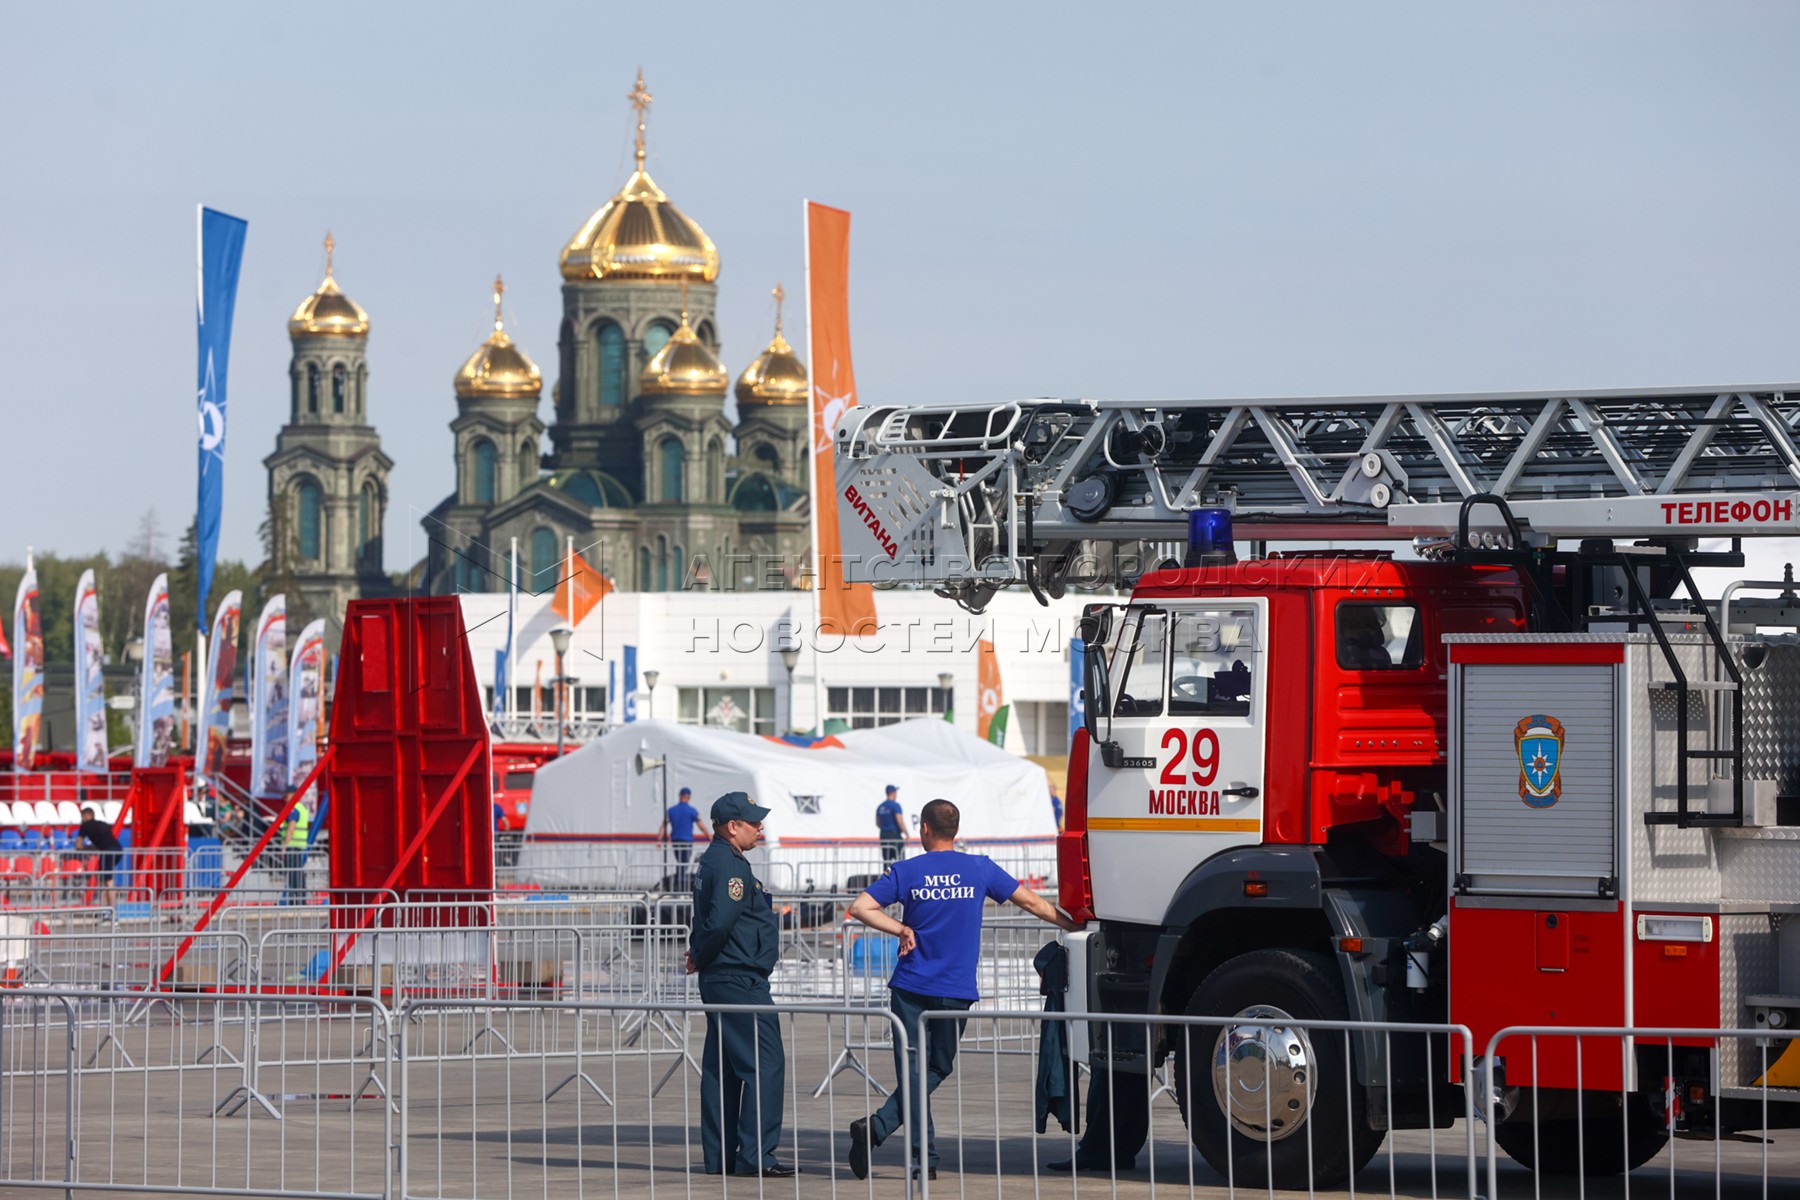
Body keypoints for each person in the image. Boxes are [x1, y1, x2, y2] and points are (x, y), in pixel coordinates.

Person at [845, 798, 1079, 1182]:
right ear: (955, 830)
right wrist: (1075, 928)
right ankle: (914, 1152)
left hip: (910, 985)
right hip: (955, 987)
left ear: (924, 829)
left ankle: (885, 1133)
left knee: (915, 1071)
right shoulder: (979, 868)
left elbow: (860, 907)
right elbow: (1033, 903)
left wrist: (901, 929)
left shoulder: (907, 870)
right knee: (936, 1067)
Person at [686, 792, 799, 1179]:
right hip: (738, 977)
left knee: (724, 1070)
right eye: (753, 822)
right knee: (765, 1064)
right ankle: (757, 1155)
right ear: (732, 827)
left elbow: (710, 921)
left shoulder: (718, 860)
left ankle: (722, 1158)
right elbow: (718, 922)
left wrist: (699, 952)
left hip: (723, 975)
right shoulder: (731, 865)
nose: (760, 826)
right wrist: (700, 952)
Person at [658, 786, 710, 890]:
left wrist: (659, 840)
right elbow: (701, 825)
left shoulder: (671, 810)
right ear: (688, 797)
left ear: (680, 796)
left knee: (680, 861)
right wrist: (709, 837)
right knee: (684, 862)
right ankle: (681, 884)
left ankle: (679, 881)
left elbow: (663, 825)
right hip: (686, 841)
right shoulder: (692, 811)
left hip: (675, 840)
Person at [76, 805, 122, 906]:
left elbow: (78, 845)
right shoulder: (102, 824)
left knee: (108, 881)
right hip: (118, 850)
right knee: (103, 880)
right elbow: (103, 842)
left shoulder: (86, 826)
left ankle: (112, 909)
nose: (82, 819)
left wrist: (84, 849)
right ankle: (104, 908)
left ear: (87, 815)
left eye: (82, 816)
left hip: (107, 852)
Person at [282, 800, 311, 905]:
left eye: (286, 796)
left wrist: (284, 847)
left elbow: (291, 828)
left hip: (292, 846)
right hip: (299, 846)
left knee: (293, 875)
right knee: (298, 874)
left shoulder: (294, 809)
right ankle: (301, 900)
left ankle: (296, 901)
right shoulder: (302, 808)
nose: (285, 799)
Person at [876, 784, 907, 863]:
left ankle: (887, 875)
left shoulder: (880, 807)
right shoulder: (895, 806)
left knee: (886, 860)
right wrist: (906, 834)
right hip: (894, 835)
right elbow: (900, 821)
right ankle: (900, 875)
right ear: (893, 793)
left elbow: (878, 823)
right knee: (900, 859)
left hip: (884, 835)